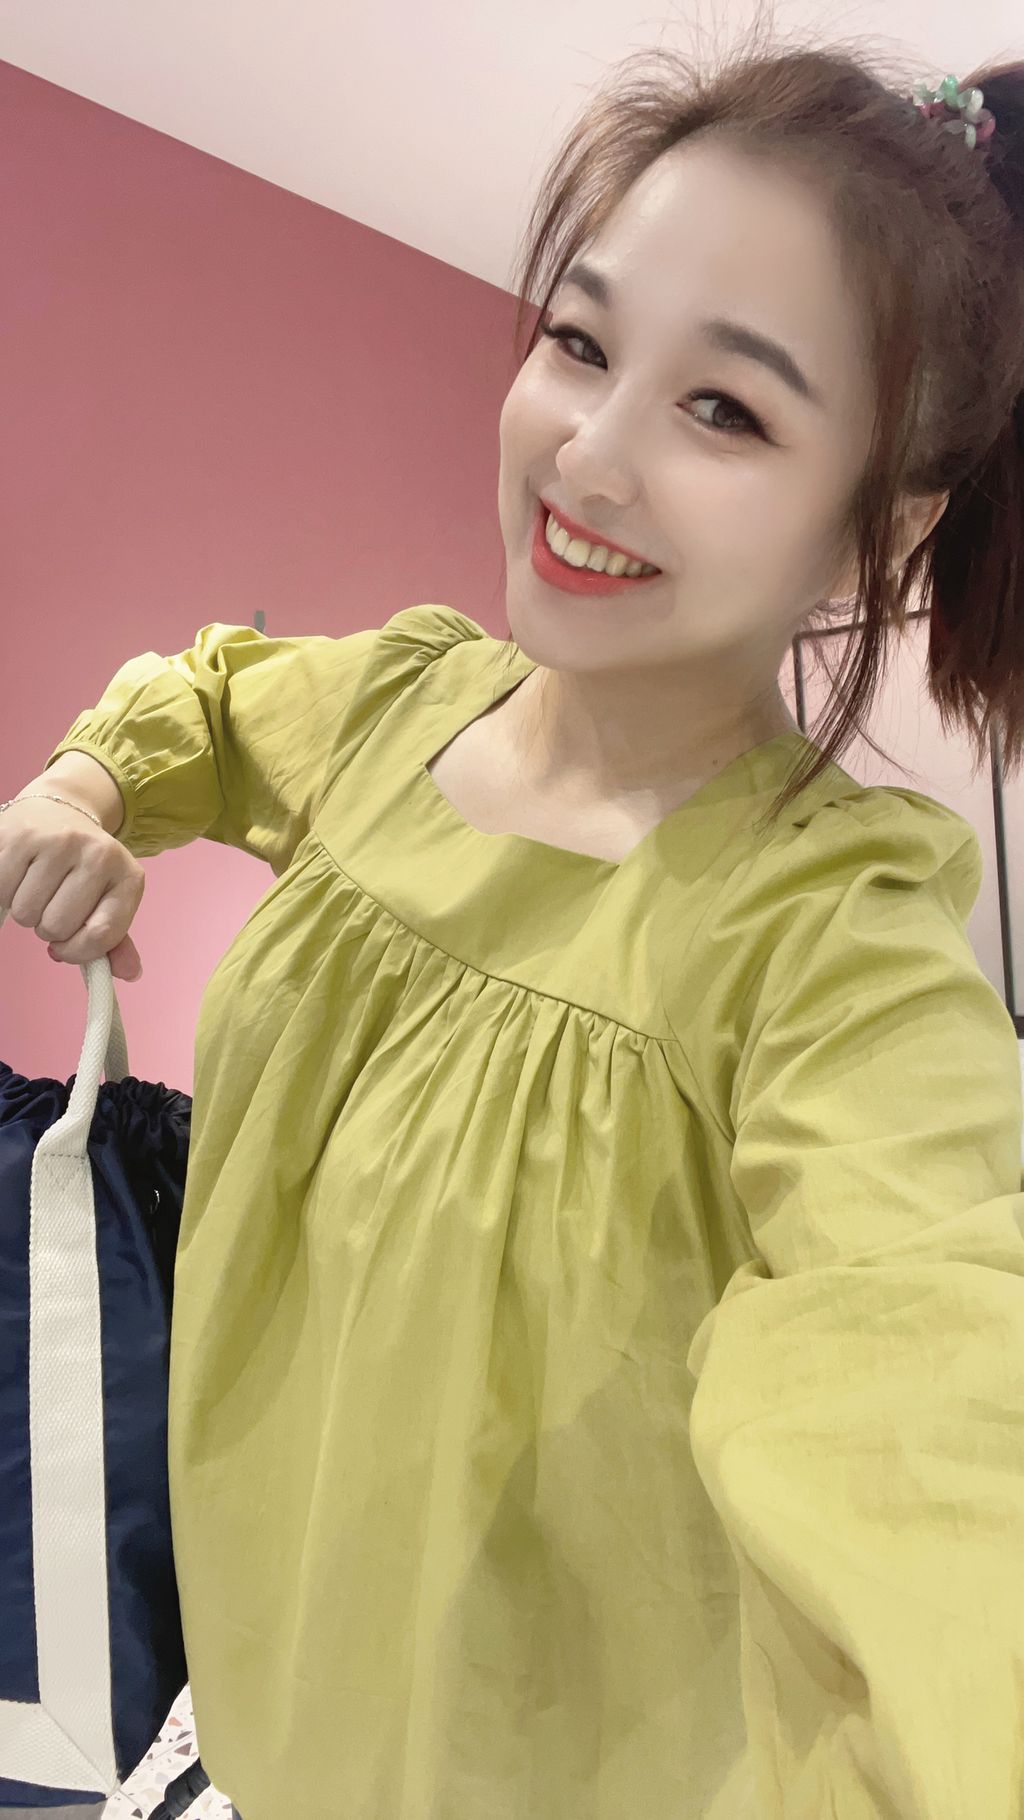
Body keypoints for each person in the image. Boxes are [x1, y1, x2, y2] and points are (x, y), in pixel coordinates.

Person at [3, 20, 1024, 1820]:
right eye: (581, 340)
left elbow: (945, 1397)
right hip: (250, 1736)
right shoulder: (392, 705)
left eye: (729, 408)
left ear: (876, 537)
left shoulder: (827, 944)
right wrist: (80, 795)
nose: (591, 456)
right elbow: (208, 698)